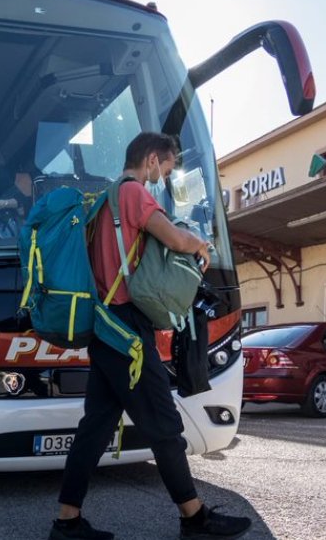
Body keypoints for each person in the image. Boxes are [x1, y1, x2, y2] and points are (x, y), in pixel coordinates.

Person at [50, 132, 250, 540]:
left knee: (95, 428)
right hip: (128, 330)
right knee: (164, 425)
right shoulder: (134, 193)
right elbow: (175, 239)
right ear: (153, 159)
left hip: (105, 326)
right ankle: (195, 519)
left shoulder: (105, 200)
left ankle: (66, 521)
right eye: (168, 167)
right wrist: (201, 243)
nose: (166, 175)